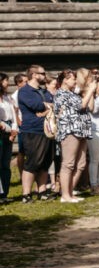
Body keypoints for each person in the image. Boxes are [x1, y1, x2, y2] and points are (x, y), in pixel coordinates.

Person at [54, 68, 95, 203]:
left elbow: (90, 107)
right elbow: (81, 106)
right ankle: (65, 195)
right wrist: (90, 91)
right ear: (65, 80)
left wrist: (89, 91)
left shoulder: (74, 94)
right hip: (70, 131)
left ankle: (70, 192)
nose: (75, 80)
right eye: (72, 78)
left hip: (82, 131)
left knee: (81, 164)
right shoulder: (61, 93)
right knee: (68, 164)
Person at [17, 65, 55, 202]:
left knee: (45, 162)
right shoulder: (25, 91)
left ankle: (42, 191)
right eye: (42, 73)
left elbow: (52, 104)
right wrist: (46, 106)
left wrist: (46, 107)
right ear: (34, 75)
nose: (45, 76)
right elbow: (36, 106)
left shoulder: (44, 92)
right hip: (33, 131)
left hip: (48, 131)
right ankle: (26, 194)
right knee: (33, 162)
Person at [0, 73, 16, 204]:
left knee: (6, 164)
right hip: (2, 130)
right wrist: (8, 129)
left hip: (9, 131)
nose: (7, 84)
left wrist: (14, 130)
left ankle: (4, 193)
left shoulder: (8, 98)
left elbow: (13, 115)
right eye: (6, 81)